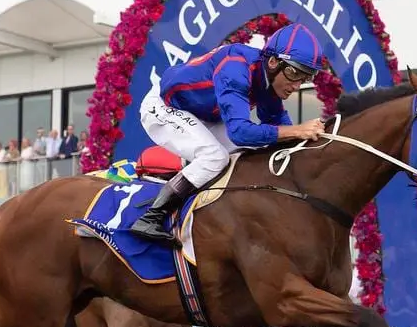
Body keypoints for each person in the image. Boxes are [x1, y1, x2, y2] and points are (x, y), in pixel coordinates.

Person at [131, 23, 327, 243]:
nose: (297, 85)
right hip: (165, 105)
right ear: (273, 62)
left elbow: (277, 128)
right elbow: (240, 132)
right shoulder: (236, 67)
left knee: (253, 153)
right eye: (294, 73)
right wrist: (297, 130)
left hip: (202, 115)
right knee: (214, 156)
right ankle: (151, 218)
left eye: (306, 78)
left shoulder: (269, 79)